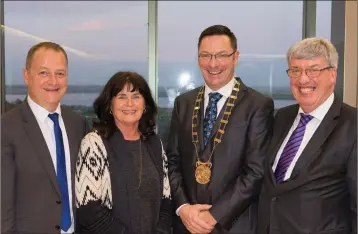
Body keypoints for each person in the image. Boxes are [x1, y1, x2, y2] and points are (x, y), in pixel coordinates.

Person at [166, 24, 274, 234]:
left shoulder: (257, 105)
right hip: (187, 225)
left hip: (235, 225)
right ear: (198, 59)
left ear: (236, 57)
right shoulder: (184, 103)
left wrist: (215, 215)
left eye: (221, 55)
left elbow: (255, 172)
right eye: (205, 55)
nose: (213, 64)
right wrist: (184, 208)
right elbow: (173, 160)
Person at [257, 37, 357, 234]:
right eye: (295, 70)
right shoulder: (282, 117)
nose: (303, 79)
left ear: (333, 74)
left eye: (313, 70)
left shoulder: (353, 124)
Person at [1, 42, 89, 234]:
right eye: (43, 73)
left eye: (60, 73)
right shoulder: (6, 127)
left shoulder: (78, 124)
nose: (53, 81)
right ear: (26, 75)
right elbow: (3, 207)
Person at [75, 71, 172, 234]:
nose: (129, 103)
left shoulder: (155, 144)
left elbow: (166, 201)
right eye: (121, 96)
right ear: (110, 105)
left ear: (145, 104)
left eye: (136, 96)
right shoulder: (94, 143)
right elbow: (88, 210)